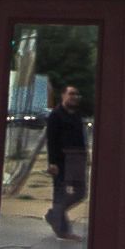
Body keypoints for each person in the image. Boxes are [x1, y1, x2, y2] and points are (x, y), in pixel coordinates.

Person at [43, 83, 88, 239]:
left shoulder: (76, 115)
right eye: (71, 94)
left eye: (77, 94)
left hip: (78, 160)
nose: (75, 97)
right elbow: (51, 140)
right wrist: (52, 163)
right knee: (60, 193)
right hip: (62, 160)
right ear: (63, 95)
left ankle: (53, 213)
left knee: (80, 192)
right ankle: (63, 230)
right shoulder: (56, 115)